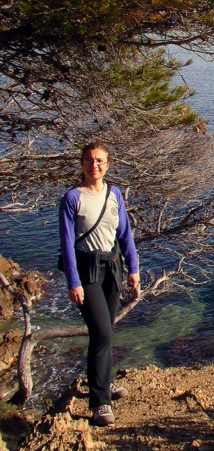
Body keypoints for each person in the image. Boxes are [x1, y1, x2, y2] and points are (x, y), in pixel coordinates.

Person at [59, 143, 140, 426]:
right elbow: (67, 244)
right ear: (81, 164)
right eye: (89, 160)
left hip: (112, 268)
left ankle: (103, 383)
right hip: (87, 272)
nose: (94, 165)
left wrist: (133, 268)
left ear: (108, 164)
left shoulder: (114, 193)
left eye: (99, 160)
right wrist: (73, 282)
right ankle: (99, 403)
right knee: (102, 331)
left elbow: (125, 233)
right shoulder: (72, 198)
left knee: (105, 331)